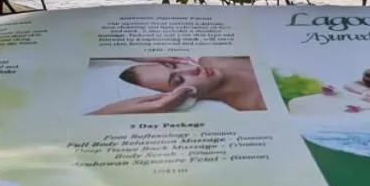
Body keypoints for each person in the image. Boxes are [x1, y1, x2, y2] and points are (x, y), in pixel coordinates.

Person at [88, 56, 266, 115]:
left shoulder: (213, 58)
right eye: (178, 81)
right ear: (181, 99)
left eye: (174, 65)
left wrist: (141, 57)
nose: (192, 70)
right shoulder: (250, 106)